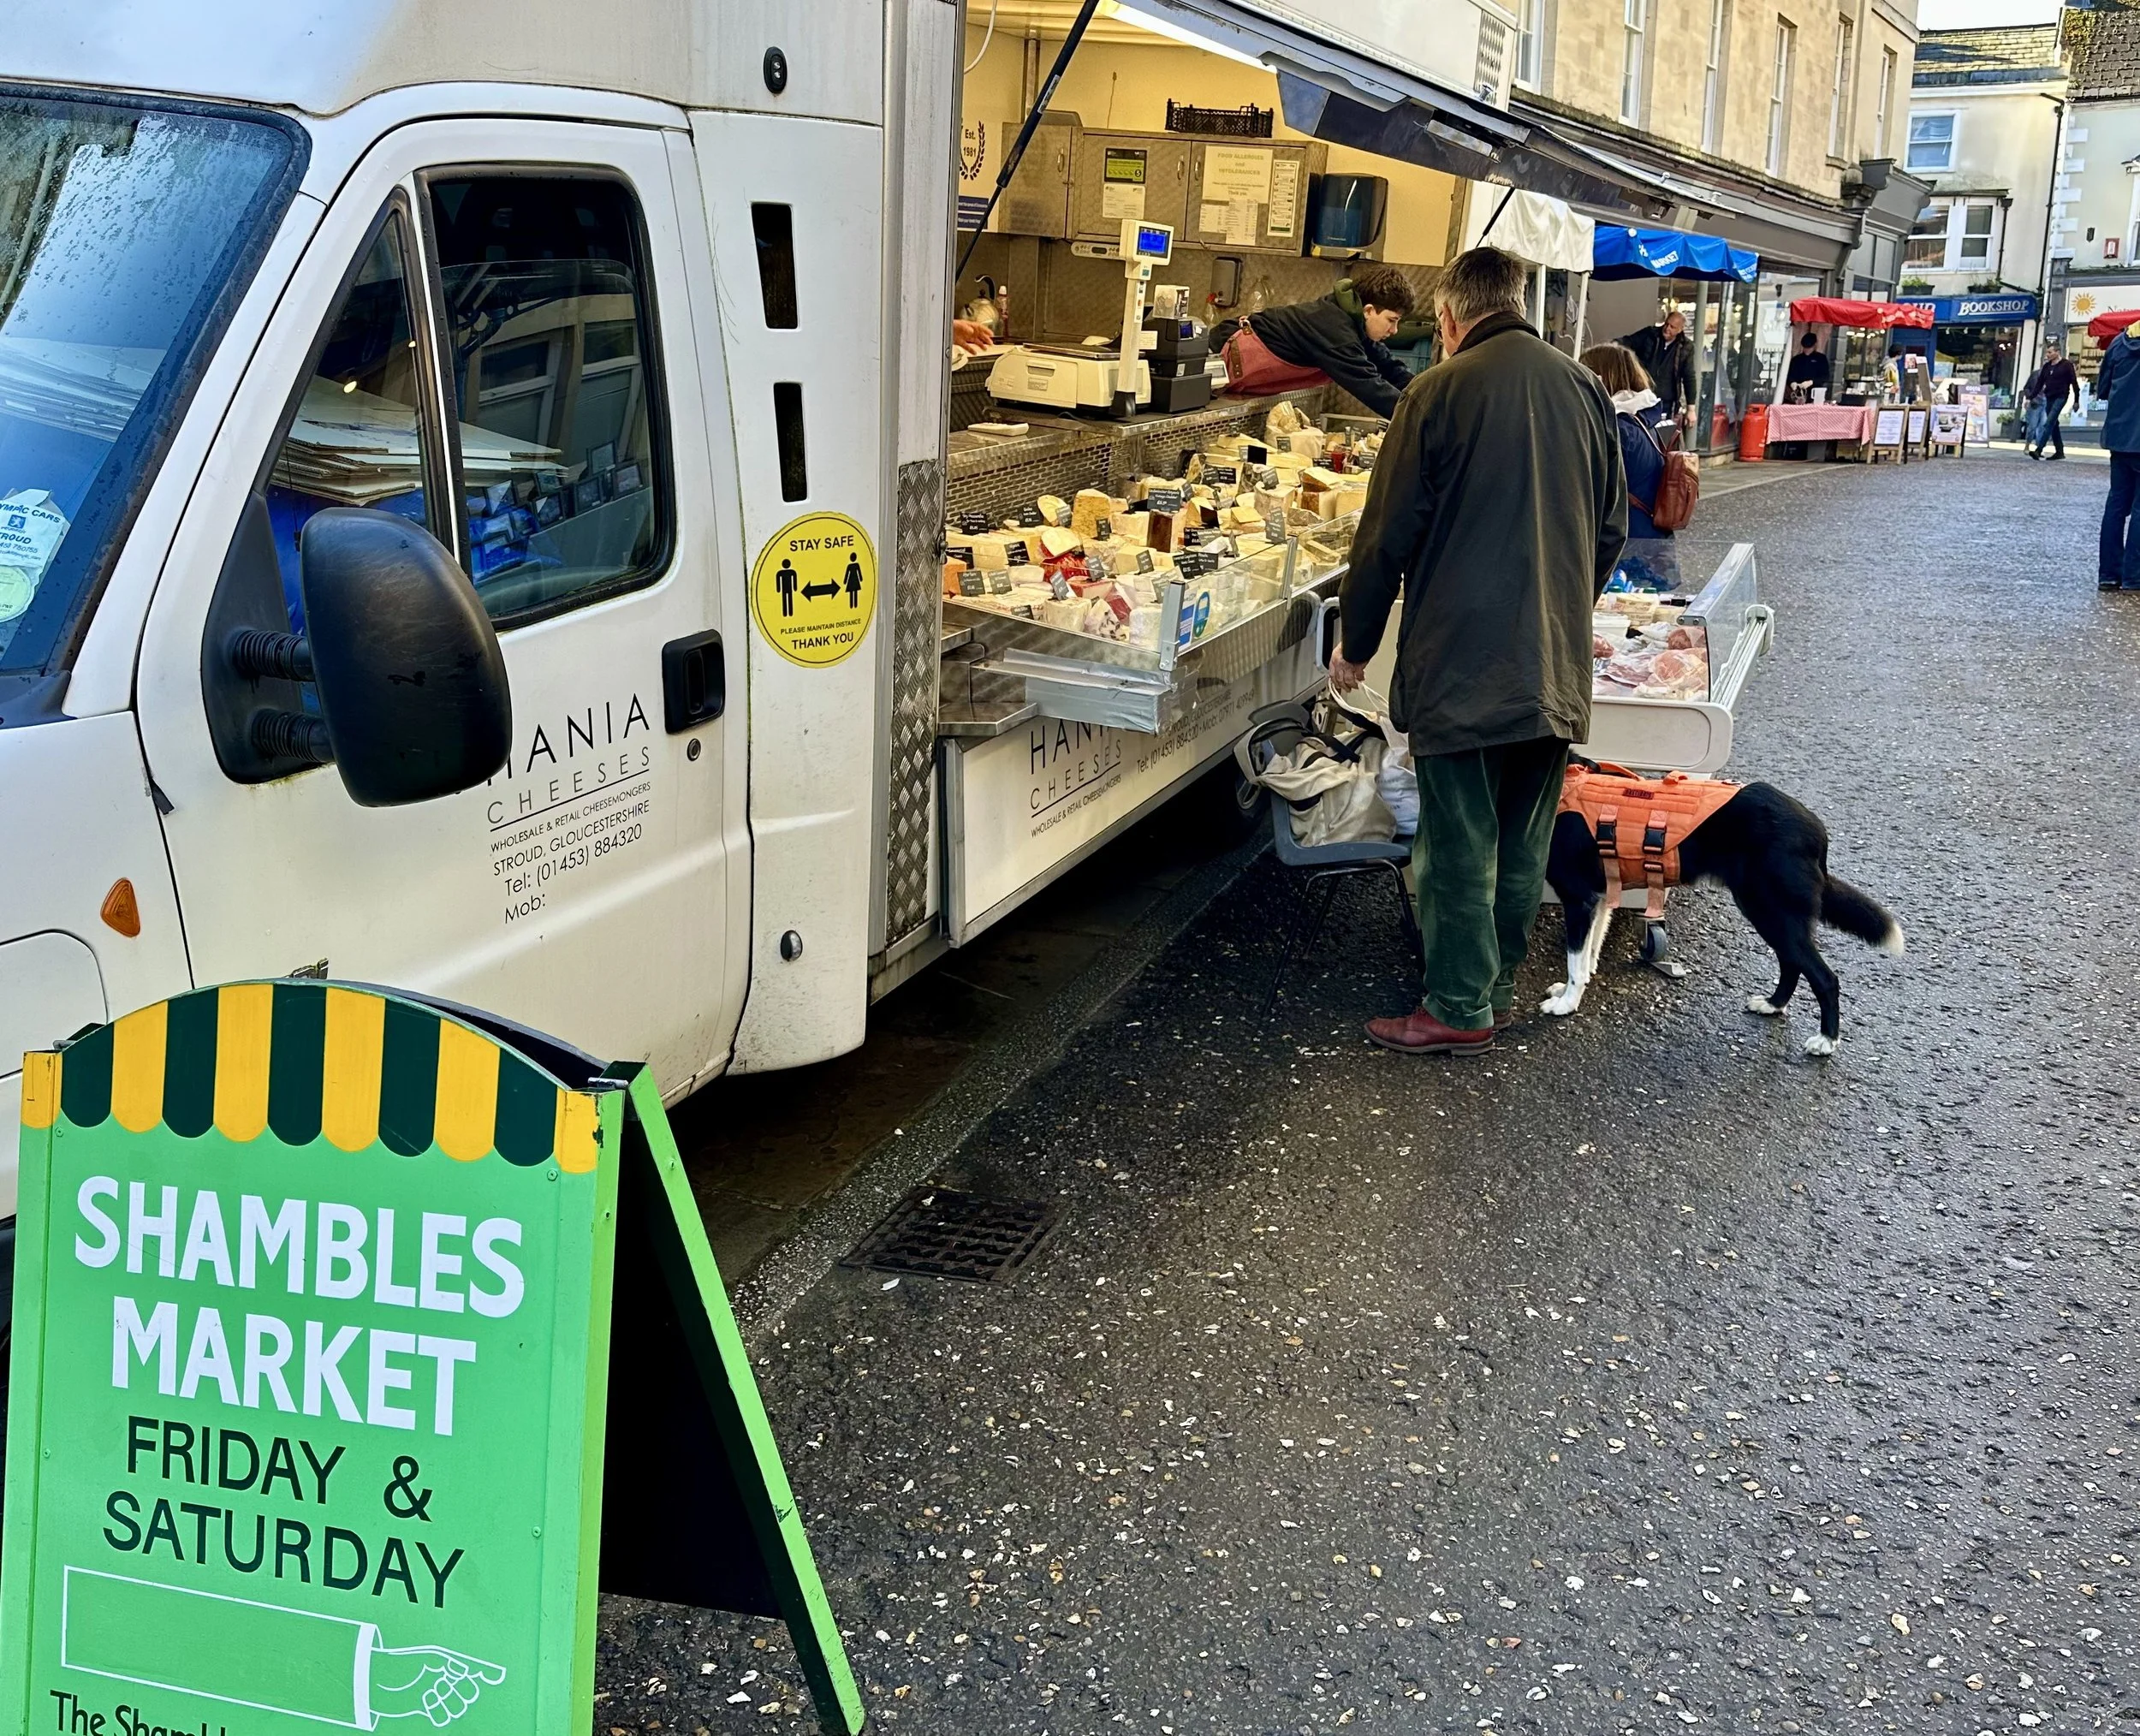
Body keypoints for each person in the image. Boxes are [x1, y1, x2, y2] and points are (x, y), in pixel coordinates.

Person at [1330, 247, 1627, 1055]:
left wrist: (1354, 645)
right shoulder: (1586, 390)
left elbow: (1384, 536)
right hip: (1553, 665)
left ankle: (1459, 1007)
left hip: (1462, 664)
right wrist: (1563, 608)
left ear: (1452, 320)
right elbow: (1611, 529)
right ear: (1519, 302)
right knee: (1523, 834)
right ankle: (1491, 985)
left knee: (1459, 838)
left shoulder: (1435, 391)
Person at [1207, 263, 1417, 416]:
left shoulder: (1353, 321)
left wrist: (1427, 397)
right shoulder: (1335, 330)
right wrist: (1422, 420)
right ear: (1369, 310)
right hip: (1215, 359)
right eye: (1392, 320)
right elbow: (1371, 388)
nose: (1394, 330)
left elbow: (1390, 367)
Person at [1581, 342, 1678, 588]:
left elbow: (1594, 495)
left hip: (1629, 555)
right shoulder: (1650, 420)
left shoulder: (1619, 430)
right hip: (1655, 545)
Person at [2095, 323, 2140, 589]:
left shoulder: (2119, 343)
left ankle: (2109, 575)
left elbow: (2103, 390)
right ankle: (2134, 577)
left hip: (2119, 435)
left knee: (2116, 506)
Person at [1619, 308, 1696, 425]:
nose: (1667, 329)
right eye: (1666, 324)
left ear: (1680, 330)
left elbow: (1689, 377)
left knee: (1661, 435)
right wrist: (1611, 346)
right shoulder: (1650, 334)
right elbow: (1628, 342)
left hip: (1666, 401)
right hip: (1642, 395)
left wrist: (1691, 409)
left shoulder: (1686, 347)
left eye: (1672, 327)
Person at [2027, 340, 2078, 460]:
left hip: (2061, 396)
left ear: (2057, 352)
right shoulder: (2047, 367)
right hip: (2049, 396)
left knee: (2049, 422)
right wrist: (2030, 397)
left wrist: (2076, 400)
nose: (2047, 355)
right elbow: (2039, 384)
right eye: (2047, 352)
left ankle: (2039, 449)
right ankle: (2059, 451)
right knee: (2054, 424)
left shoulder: (2066, 365)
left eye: (2050, 352)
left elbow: (2074, 383)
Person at [1784, 332, 1830, 396]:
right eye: (1805, 347)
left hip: (1815, 393)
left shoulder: (1821, 359)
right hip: (1797, 393)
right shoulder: (1796, 359)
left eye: (1809, 348)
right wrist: (1792, 382)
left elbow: (1825, 377)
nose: (1807, 350)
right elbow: (1789, 375)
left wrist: (1811, 382)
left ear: (1815, 345)